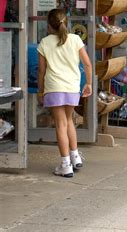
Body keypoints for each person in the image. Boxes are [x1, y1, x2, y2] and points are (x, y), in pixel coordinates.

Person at [37, 9, 92, 177]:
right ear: (65, 23)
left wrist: (41, 92)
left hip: (54, 87)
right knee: (69, 121)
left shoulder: (44, 43)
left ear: (49, 26)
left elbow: (41, 71)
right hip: (72, 87)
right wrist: (88, 83)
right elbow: (87, 64)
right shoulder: (75, 39)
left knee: (60, 124)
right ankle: (75, 156)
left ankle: (65, 164)